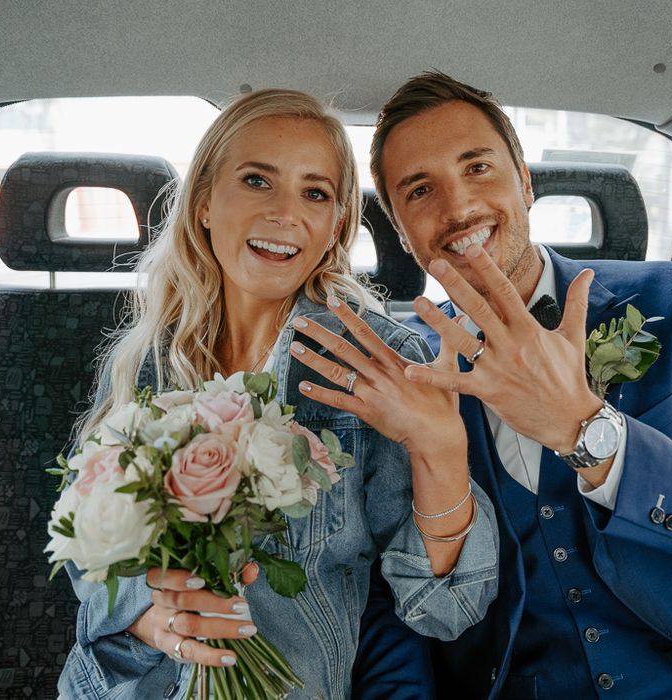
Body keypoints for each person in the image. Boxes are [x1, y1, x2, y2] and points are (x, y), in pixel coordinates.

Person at [57, 88, 499, 700]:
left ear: (335, 225)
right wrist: (139, 611)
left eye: (314, 193)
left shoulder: (383, 363)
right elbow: (85, 540)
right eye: (258, 181)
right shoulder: (146, 358)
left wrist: (442, 450)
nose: (285, 213)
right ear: (206, 203)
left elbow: (446, 608)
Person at [336, 71, 672, 699]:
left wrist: (584, 427)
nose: (458, 209)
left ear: (526, 181)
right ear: (401, 231)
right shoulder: (408, 378)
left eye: (478, 168)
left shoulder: (671, 302)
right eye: (421, 190)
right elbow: (389, 604)